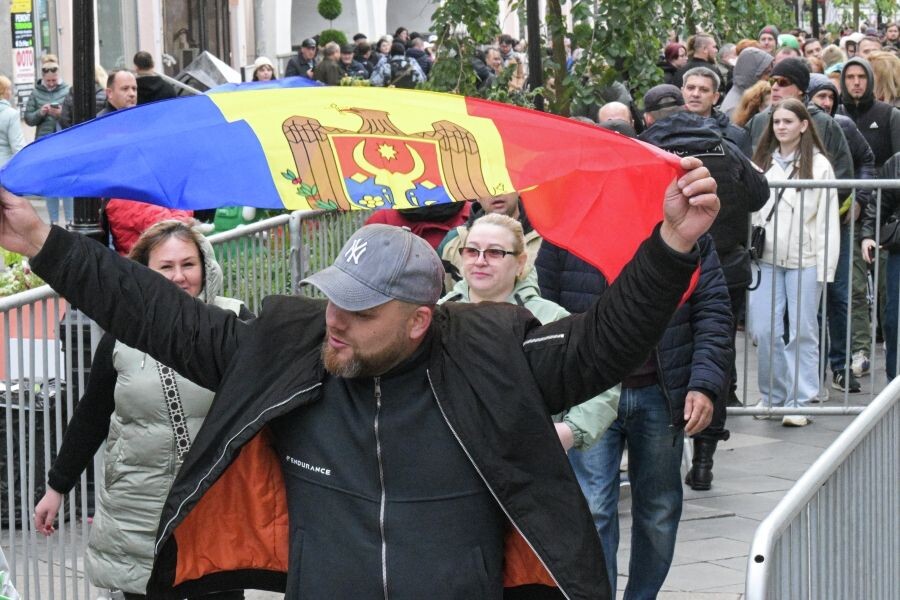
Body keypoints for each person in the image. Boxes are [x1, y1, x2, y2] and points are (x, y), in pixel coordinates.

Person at [0, 156, 719, 599]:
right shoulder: (292, 349)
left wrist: (673, 243)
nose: (335, 321)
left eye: (361, 311)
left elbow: (603, 343)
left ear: (418, 320)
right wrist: (40, 240)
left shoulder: (489, 356)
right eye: (334, 297)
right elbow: (158, 314)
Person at [538, 90, 732, 594]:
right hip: (589, 391)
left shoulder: (685, 230)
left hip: (660, 393)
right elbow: (543, 316)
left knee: (658, 510)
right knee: (594, 505)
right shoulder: (566, 233)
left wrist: (705, 384)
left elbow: (713, 309)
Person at [33, 220, 250, 599]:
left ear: (206, 266)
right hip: (140, 514)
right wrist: (57, 487)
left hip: (215, 508)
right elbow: (92, 415)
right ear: (144, 275)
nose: (180, 277)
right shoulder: (121, 339)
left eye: (189, 264)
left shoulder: (234, 323)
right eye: (165, 267)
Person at [438, 213, 620, 451]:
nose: (480, 261)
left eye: (495, 252)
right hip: (454, 457)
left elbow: (601, 377)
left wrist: (570, 431)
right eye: (472, 251)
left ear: (520, 262)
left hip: (527, 461)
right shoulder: (437, 316)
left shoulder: (550, 319)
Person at [749, 99, 840, 425]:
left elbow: (827, 220)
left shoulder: (820, 166)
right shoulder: (760, 162)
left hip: (806, 258)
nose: (781, 127)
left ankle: (800, 401)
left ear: (804, 125)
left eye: (788, 121)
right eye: (777, 122)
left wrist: (826, 266)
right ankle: (773, 395)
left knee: (803, 330)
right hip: (767, 258)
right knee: (763, 329)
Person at [807, 73, 876, 393]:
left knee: (841, 296)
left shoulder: (844, 126)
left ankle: (840, 365)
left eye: (830, 98)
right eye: (820, 97)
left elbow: (865, 161)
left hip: (840, 223)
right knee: (812, 299)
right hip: (807, 226)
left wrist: (859, 200)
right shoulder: (795, 124)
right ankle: (814, 368)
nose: (826, 103)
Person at [839, 56, 900, 378]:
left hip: (886, 214)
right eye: (850, 76)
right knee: (855, 284)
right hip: (852, 211)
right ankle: (860, 348)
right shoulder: (838, 116)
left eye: (862, 76)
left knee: (888, 293)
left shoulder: (889, 115)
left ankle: (889, 346)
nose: (856, 82)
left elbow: (896, 164)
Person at [438, 193, 541, 291]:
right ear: (476, 194)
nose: (496, 193)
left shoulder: (547, 239)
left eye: (502, 182)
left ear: (518, 188)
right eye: (486, 185)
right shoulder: (453, 242)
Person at [860, 152, 900, 379]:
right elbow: (879, 202)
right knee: (894, 320)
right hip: (898, 251)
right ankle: (894, 385)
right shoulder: (896, 162)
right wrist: (868, 235)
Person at [24, 60, 71, 226]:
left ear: (58, 77)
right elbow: (28, 118)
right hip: (45, 143)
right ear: (43, 78)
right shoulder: (35, 93)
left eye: (54, 80)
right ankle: (53, 221)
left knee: (66, 183)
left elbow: (72, 116)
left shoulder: (67, 90)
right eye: (48, 81)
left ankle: (70, 219)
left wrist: (60, 114)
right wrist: (41, 112)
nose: (51, 84)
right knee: (50, 184)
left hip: (64, 142)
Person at [720, 47, 773, 118]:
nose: (769, 78)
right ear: (751, 74)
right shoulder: (734, 109)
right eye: (766, 73)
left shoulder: (748, 98)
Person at [0, 76, 25, 167]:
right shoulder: (12, 114)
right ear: (5, 92)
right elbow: (17, 147)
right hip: (5, 167)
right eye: (9, 89)